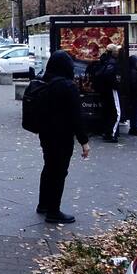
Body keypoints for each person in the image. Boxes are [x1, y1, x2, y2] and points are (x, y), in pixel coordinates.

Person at [37, 50, 90, 224]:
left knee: (48, 168)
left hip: (46, 134)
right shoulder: (68, 86)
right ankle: (53, 211)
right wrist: (84, 141)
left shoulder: (45, 82)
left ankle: (43, 204)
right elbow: (76, 116)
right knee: (59, 172)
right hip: (62, 136)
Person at [98, 43, 122, 143]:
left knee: (107, 112)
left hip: (104, 91)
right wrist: (116, 84)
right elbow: (110, 76)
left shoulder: (104, 61)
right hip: (111, 90)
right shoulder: (113, 63)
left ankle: (107, 133)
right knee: (117, 112)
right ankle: (112, 134)